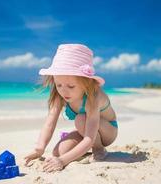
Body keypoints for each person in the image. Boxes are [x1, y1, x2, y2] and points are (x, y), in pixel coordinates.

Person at [24, 44, 118, 172]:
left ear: (87, 83)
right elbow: (49, 124)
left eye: (71, 86)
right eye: (59, 85)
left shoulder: (93, 96)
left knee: (80, 120)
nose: (64, 91)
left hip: (108, 130)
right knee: (57, 153)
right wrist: (39, 149)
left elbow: (89, 138)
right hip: (84, 128)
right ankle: (79, 148)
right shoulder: (59, 95)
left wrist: (62, 162)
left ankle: (99, 150)